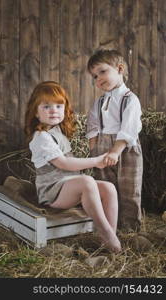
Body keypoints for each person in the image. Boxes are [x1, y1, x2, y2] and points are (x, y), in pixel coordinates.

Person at [24, 80, 121, 253]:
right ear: (36, 113)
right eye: (46, 106)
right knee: (87, 181)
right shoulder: (41, 137)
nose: (54, 110)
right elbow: (64, 163)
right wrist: (96, 161)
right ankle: (105, 231)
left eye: (58, 106)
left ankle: (108, 235)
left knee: (109, 188)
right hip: (52, 191)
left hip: (67, 185)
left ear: (65, 109)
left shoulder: (57, 132)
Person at [86, 48, 143, 232]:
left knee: (129, 188)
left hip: (124, 148)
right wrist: (94, 151)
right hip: (102, 147)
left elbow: (129, 128)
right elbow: (93, 125)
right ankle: (110, 225)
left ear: (119, 69)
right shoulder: (99, 102)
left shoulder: (130, 99)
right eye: (94, 76)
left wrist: (116, 151)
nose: (98, 79)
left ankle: (130, 229)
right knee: (105, 186)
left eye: (102, 72)